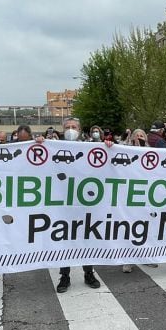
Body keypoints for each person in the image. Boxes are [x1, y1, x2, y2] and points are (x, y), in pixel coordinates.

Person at [57, 117, 102, 292]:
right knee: (64, 240)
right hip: (63, 205)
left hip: (85, 204)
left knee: (86, 239)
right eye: (67, 127)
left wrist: (108, 146)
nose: (70, 129)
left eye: (73, 127)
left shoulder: (91, 148)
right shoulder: (55, 148)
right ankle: (65, 276)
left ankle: (88, 273)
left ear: (80, 129)